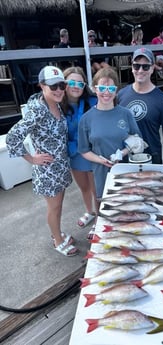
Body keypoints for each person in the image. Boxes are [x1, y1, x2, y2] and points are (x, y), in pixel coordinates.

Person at [5, 66, 78, 257]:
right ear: (42, 86)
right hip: (48, 171)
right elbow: (12, 137)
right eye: (53, 86)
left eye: (62, 85)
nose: (59, 90)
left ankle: (57, 234)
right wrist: (31, 158)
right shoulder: (37, 110)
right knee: (54, 207)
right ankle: (58, 240)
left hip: (60, 167)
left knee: (58, 205)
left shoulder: (56, 103)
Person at [78, 68, 142, 237]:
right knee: (104, 206)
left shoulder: (125, 114)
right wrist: (100, 160)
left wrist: (122, 152)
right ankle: (104, 231)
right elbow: (84, 150)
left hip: (125, 170)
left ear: (116, 90)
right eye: (102, 88)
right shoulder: (86, 119)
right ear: (94, 88)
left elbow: (136, 139)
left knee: (126, 206)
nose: (107, 93)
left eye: (111, 89)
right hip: (100, 172)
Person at [117, 47, 163, 165]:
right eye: (136, 66)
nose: (140, 70)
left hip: (151, 160)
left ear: (152, 68)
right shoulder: (121, 95)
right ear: (132, 68)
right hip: (125, 160)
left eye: (145, 66)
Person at [62, 66, 98, 229]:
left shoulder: (92, 102)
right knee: (84, 187)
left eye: (80, 83)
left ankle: (99, 219)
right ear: (64, 84)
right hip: (74, 155)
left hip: (92, 153)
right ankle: (89, 212)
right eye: (72, 82)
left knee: (95, 189)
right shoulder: (58, 105)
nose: (76, 86)